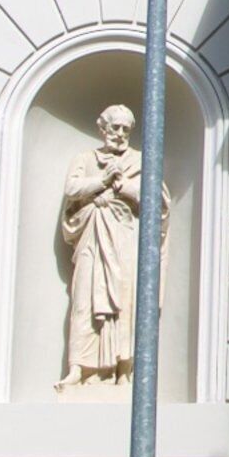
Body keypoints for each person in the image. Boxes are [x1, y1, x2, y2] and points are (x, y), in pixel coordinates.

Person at [58, 104, 146, 391]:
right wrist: (102, 181)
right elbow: (71, 189)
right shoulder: (85, 159)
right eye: (114, 127)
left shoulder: (140, 161)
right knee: (84, 300)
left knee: (125, 303)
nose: (119, 134)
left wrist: (122, 187)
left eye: (125, 129)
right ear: (102, 127)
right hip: (92, 240)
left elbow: (156, 200)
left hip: (124, 241)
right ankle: (78, 367)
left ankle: (124, 368)